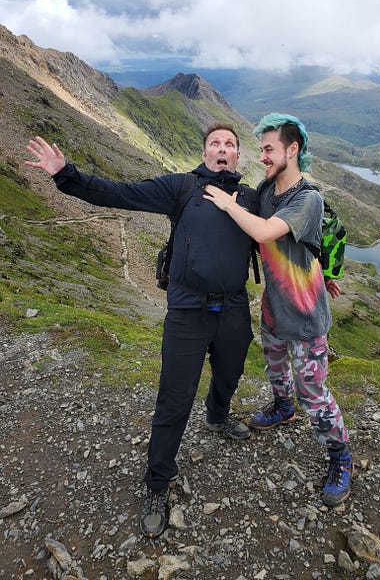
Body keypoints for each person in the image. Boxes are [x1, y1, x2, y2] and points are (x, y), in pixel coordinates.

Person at [25, 123, 258, 537]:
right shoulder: (182, 188)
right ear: (205, 152)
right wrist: (66, 174)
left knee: (229, 374)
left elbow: (281, 241)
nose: (222, 150)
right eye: (215, 144)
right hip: (187, 313)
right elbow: (120, 192)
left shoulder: (253, 198)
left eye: (230, 145)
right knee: (173, 399)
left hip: (235, 310)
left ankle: (217, 417)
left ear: (239, 156)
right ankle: (157, 484)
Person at [203, 113, 352, 507]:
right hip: (273, 309)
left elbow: (266, 232)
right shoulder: (268, 191)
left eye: (268, 149)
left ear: (293, 149)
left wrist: (225, 202)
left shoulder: (308, 197)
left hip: (305, 316)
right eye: (261, 149)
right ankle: (283, 408)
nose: (263, 157)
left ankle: (341, 457)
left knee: (314, 395)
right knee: (275, 368)